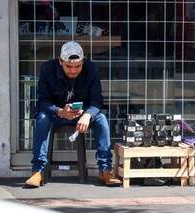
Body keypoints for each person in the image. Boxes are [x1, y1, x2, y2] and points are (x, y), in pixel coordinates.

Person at [24, 41, 122, 187]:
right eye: (68, 66)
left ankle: (105, 170)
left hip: (83, 115)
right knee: (42, 118)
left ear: (83, 62)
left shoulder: (91, 69)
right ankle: (38, 171)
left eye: (78, 66)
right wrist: (59, 111)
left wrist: (87, 115)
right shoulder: (47, 69)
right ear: (60, 61)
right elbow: (43, 101)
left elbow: (97, 101)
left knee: (101, 119)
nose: (73, 71)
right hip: (57, 114)